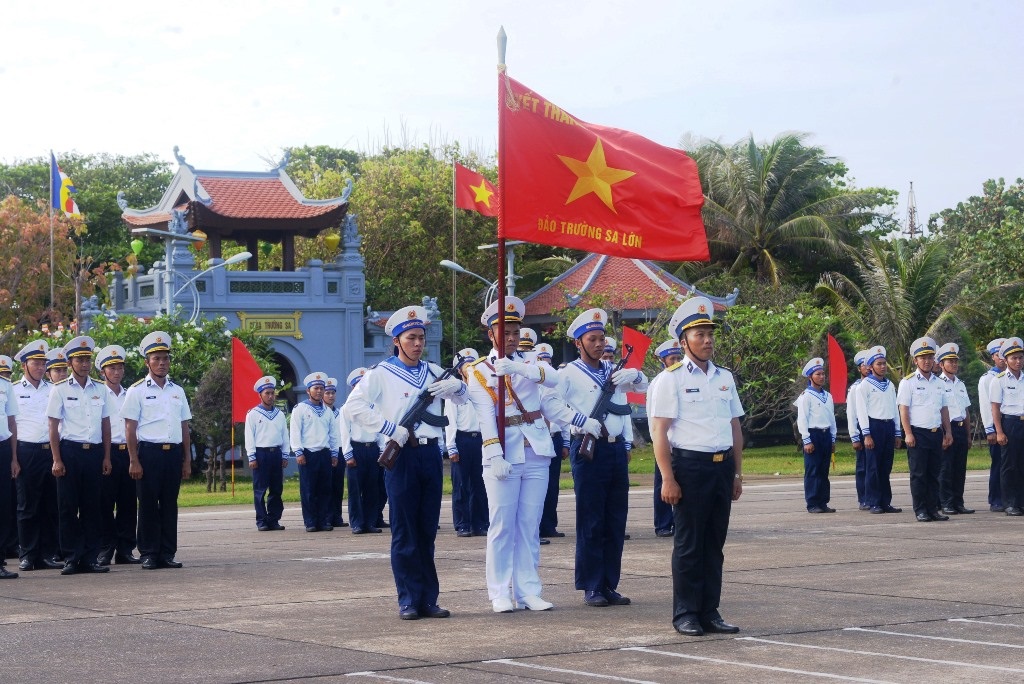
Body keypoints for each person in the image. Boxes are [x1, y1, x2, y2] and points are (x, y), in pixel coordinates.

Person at [346, 304, 469, 620]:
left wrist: (458, 386)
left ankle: (428, 598)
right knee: (404, 530)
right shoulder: (381, 374)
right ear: (397, 341)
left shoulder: (432, 371)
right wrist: (390, 429)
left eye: (421, 338)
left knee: (427, 529)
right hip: (400, 455)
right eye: (411, 337)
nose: (417, 343)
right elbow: (353, 407)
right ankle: (408, 599)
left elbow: (463, 399)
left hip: (429, 455)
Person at [466, 298, 580, 613]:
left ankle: (529, 590)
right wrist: (494, 453)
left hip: (536, 450)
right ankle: (500, 592)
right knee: (502, 524)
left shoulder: (531, 365)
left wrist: (518, 367)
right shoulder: (478, 372)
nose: (512, 337)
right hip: (503, 453)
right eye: (505, 332)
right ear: (491, 335)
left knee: (529, 525)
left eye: (516, 331)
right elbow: (486, 416)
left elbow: (555, 380)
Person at [649, 296, 744, 637]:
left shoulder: (724, 377)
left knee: (714, 545)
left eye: (710, 333)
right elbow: (660, 431)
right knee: (689, 545)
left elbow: (735, 426)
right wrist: (667, 478)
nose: (707, 340)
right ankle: (686, 613)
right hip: (689, 468)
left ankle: (710, 610)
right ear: (683, 340)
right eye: (699, 334)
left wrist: (736, 472)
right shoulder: (670, 380)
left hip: (721, 468)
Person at [558, 308, 647, 608]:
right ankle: (592, 585)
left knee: (615, 519)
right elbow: (551, 404)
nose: (598, 344)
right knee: (592, 519)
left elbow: (644, 387)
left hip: (614, 449)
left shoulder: (613, 371)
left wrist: (636, 374)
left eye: (601, 339)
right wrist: (580, 420)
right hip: (588, 448)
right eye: (592, 339)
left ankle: (610, 583)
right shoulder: (568, 373)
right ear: (578, 343)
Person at [122, 331, 193, 569]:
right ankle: (149, 553)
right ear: (147, 362)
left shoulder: (177, 391)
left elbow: (184, 427)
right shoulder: (137, 390)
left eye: (165, 358)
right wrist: (133, 459)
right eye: (156, 359)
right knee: (149, 504)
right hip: (148, 454)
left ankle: (167, 552)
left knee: (169, 504)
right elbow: (130, 429)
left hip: (172, 454)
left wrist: (186, 460)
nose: (162, 363)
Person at [46, 336, 115, 575]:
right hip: (70, 452)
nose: (84, 364)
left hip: (93, 453)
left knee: (92, 507)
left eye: (87, 359)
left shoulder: (100, 389)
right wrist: (56, 459)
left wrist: (106, 456)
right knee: (67, 507)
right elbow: (53, 428)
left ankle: (90, 557)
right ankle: (71, 557)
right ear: (70, 362)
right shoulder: (60, 389)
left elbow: (106, 425)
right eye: (79, 360)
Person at [14, 340, 63, 572]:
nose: (41, 368)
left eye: (44, 364)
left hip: (50, 451)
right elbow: (11, 426)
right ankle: (28, 554)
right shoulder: (14, 390)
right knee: (27, 506)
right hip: (26, 451)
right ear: (24, 365)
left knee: (50, 505)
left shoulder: (53, 389)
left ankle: (47, 554)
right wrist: (14, 458)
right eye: (36, 363)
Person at [897, 336, 953, 522]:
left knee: (933, 474)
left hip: (936, 433)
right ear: (916, 360)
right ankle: (920, 509)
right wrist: (908, 433)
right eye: (923, 358)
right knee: (919, 474)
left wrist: (948, 432)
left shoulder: (939, 383)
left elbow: (943, 409)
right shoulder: (908, 382)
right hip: (918, 434)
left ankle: (933, 509)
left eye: (930, 357)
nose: (927, 361)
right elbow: (903, 410)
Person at [96, 344, 140, 565]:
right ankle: (105, 548)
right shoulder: (97, 393)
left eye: (120, 367)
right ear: (102, 371)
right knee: (105, 503)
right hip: (107, 452)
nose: (116, 372)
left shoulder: (131, 393)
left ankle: (125, 549)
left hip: (129, 453)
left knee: (128, 503)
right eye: (111, 368)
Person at [854, 346, 903, 514]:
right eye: (879, 364)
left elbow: (894, 409)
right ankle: (873, 501)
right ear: (870, 367)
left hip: (888, 426)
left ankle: (885, 501)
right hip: (873, 427)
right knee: (873, 467)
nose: (882, 366)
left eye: (884, 363)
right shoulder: (864, 386)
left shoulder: (889, 385)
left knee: (885, 466)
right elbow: (861, 412)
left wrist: (897, 432)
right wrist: (866, 434)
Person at [444, 348, 488, 538]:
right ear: (460, 370)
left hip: (481, 439)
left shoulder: (483, 390)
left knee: (481, 484)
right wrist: (452, 446)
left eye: (472, 366)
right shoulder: (455, 391)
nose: (469, 370)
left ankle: (480, 523)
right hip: (462, 440)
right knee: (461, 485)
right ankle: (462, 523)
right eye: (465, 367)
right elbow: (450, 421)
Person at [290, 372, 340, 532]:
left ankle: (324, 520)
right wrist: (298, 452)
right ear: (308, 391)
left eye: (321, 388)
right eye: (316, 388)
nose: (319, 391)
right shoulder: (301, 409)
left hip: (324, 453)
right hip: (308, 453)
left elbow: (333, 434)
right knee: (309, 489)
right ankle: (311, 521)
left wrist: (334, 453)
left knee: (325, 489)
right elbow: (295, 431)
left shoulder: (327, 411)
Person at [339, 367, 383, 534]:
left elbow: (380, 430)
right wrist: (348, 454)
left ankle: (370, 522)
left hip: (372, 448)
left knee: (372, 488)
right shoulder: (347, 408)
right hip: (356, 449)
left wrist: (381, 450)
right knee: (356, 489)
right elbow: (344, 433)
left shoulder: (375, 407)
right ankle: (357, 523)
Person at [244, 375, 289, 531]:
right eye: (267, 393)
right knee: (260, 490)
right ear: (260, 395)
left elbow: (285, 435)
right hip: (261, 454)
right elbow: (249, 436)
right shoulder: (253, 414)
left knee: (276, 489)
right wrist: (252, 456)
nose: (270, 396)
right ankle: (261, 520)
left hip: (275, 453)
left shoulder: (280, 414)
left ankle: (273, 519)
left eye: (272, 393)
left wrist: (285, 454)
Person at [648, 339, 682, 538]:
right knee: (663, 483)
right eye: (672, 358)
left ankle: (677, 523)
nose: (676, 361)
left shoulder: (683, 378)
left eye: (679, 357)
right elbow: (654, 417)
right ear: (663, 361)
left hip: (680, 444)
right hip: (663, 442)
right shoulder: (661, 381)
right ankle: (662, 523)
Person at [795, 357, 837, 513]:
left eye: (823, 373)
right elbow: (802, 420)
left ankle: (823, 501)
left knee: (823, 470)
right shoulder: (806, 396)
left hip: (826, 435)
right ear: (810, 377)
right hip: (813, 435)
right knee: (813, 469)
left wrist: (833, 438)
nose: (821, 377)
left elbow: (831, 418)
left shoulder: (828, 395)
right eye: (818, 374)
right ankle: (812, 503)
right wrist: (806, 440)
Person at [536, 342, 569, 540]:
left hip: (555, 438)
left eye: (548, 362)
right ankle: (537, 526)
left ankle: (549, 525)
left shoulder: (556, 385)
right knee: (537, 485)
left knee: (552, 485)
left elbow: (563, 414)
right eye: (542, 363)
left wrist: (566, 442)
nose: (546, 367)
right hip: (538, 438)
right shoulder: (530, 385)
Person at [937, 343, 973, 515]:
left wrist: (968, 434)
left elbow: (965, 410)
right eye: (949, 361)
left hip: (960, 428)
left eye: (955, 361)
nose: (954, 364)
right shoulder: (938, 384)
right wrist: (944, 433)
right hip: (947, 428)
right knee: (946, 468)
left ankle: (958, 502)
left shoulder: (960, 384)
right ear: (941, 364)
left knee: (960, 468)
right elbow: (938, 410)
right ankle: (946, 502)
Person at [991, 336, 1024, 516]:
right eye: (1014, 358)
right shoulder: (999, 380)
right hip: (1010, 423)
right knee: (1009, 466)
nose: (1018, 361)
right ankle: (1010, 503)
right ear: (1006, 360)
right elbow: (995, 407)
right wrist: (999, 431)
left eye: (1020, 357)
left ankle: (1021, 501)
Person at [979, 338, 1006, 512]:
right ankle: (996, 499)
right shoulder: (987, 379)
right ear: (993, 358)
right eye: (999, 355)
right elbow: (986, 406)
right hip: (997, 427)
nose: (1002, 358)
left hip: (1013, 425)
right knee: (998, 464)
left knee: (1013, 464)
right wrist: (991, 430)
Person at [0, 355, 19, 579]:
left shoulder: (5, 386)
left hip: (3, 448)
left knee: (3, 506)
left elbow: (12, 422)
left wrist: (14, 458)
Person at [323, 377, 349, 529]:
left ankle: (337, 516)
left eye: (333, 393)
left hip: (339, 451)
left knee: (338, 485)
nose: (331, 396)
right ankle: (326, 516)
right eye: (328, 393)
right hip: (326, 451)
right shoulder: (321, 412)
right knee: (326, 486)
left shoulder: (340, 413)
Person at [847, 349, 871, 510]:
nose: (867, 368)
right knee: (863, 466)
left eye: (869, 364)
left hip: (875, 429)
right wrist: (855, 436)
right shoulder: (855, 388)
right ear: (859, 368)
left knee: (875, 466)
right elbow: (852, 413)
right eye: (864, 365)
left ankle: (874, 496)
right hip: (861, 431)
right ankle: (863, 498)